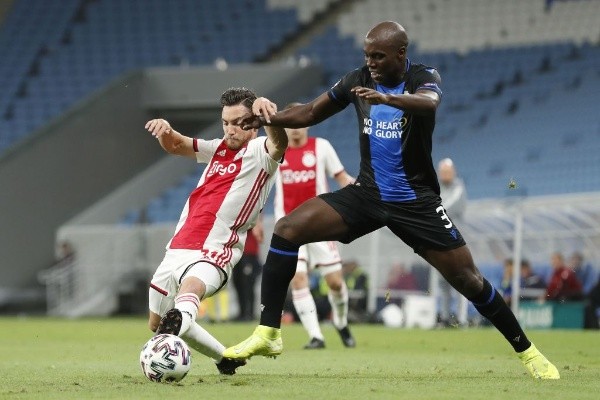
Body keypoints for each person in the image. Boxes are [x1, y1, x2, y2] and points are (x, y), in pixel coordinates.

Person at [224, 21, 559, 380]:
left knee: (469, 280)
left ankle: (528, 352)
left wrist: (389, 99)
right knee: (288, 228)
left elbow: (429, 104)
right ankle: (268, 333)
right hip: (367, 193)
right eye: (367, 56)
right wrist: (266, 119)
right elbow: (309, 113)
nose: (371, 63)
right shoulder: (358, 79)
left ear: (401, 53)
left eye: (378, 56)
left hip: (415, 201)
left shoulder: (422, 76)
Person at [144, 87, 287, 375]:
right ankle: (224, 358)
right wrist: (166, 131)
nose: (230, 129)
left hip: (218, 247)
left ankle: (181, 319)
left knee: (190, 290)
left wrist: (269, 117)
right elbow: (176, 145)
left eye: (238, 122)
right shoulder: (218, 148)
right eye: (226, 122)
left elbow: (279, 144)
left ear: (254, 123)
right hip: (179, 246)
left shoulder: (260, 152)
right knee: (156, 324)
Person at [275, 102, 356, 349]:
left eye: (300, 123)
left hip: (321, 225)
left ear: (307, 124)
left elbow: (342, 178)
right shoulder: (277, 150)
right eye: (291, 124)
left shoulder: (321, 147)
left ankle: (340, 322)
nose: (296, 129)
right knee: (298, 279)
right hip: (289, 227)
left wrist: (363, 195)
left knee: (335, 283)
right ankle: (316, 336)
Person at [436, 158, 467, 326]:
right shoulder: (436, 187)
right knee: (442, 282)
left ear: (453, 172)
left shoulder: (459, 187)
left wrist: (431, 210)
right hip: (439, 242)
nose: (445, 175)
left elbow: (445, 207)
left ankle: (461, 319)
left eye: (448, 171)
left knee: (462, 280)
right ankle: (445, 317)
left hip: (456, 242)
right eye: (443, 171)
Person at [232, 218, 263, 321]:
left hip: (250, 253)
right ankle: (242, 312)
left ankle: (249, 313)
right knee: (237, 283)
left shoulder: (254, 210)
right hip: (236, 253)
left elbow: (250, 225)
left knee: (248, 284)